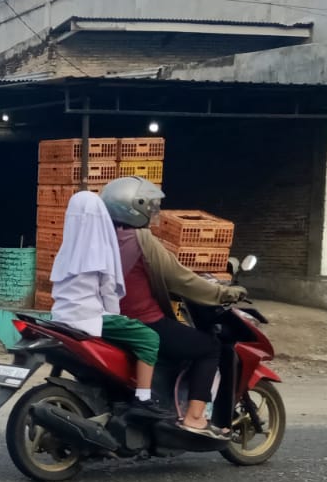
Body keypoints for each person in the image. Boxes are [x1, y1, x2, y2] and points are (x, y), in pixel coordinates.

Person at [103, 176, 247, 435]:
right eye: (150, 207)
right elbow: (180, 278)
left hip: (108, 319)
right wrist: (223, 293)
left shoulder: (105, 237)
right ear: (135, 207)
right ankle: (194, 417)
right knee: (209, 348)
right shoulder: (141, 239)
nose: (153, 213)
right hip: (144, 321)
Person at [49, 192, 166, 418]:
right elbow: (108, 291)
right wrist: (116, 315)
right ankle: (143, 398)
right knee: (150, 338)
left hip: (62, 317)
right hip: (90, 317)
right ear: (100, 217)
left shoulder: (66, 251)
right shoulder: (99, 249)